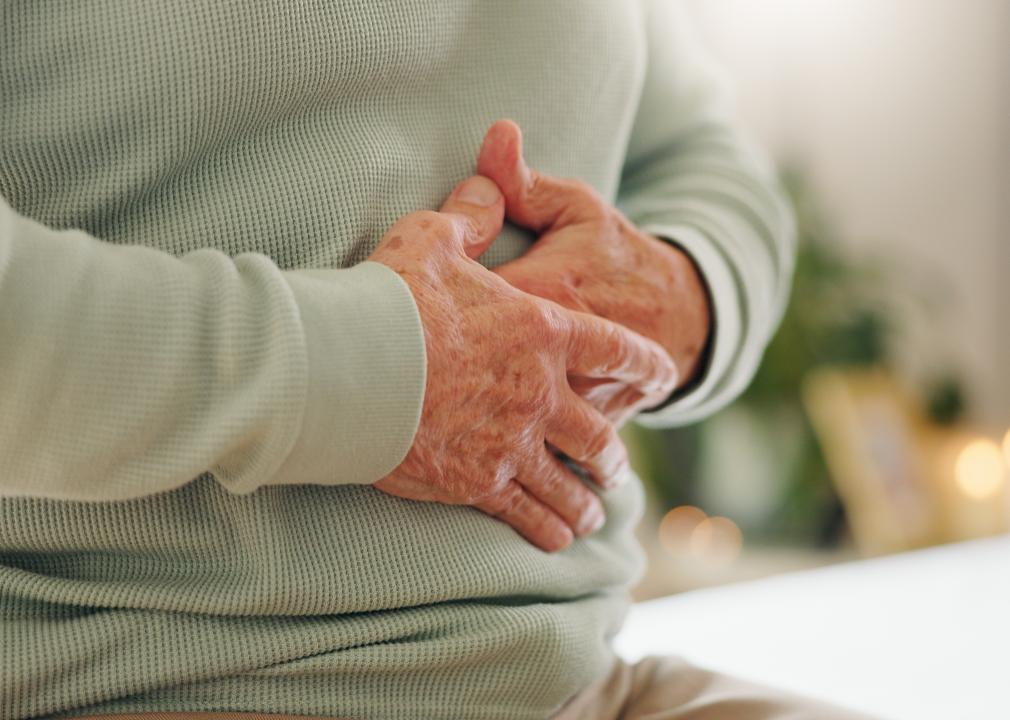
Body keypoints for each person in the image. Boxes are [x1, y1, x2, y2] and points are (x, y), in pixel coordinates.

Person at [0, 2, 871, 719]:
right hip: (143, 677)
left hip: (588, 684)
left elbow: (699, 152)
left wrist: (685, 293)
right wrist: (379, 371)